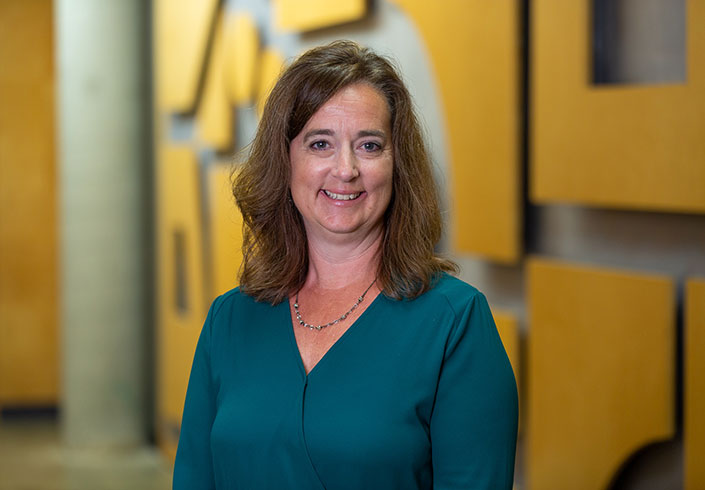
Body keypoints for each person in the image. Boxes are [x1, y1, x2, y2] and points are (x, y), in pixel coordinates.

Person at [173, 40, 518, 489]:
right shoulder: (230, 318)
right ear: (286, 159)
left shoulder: (454, 323)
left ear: (397, 164)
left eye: (370, 145)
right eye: (320, 143)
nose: (346, 169)